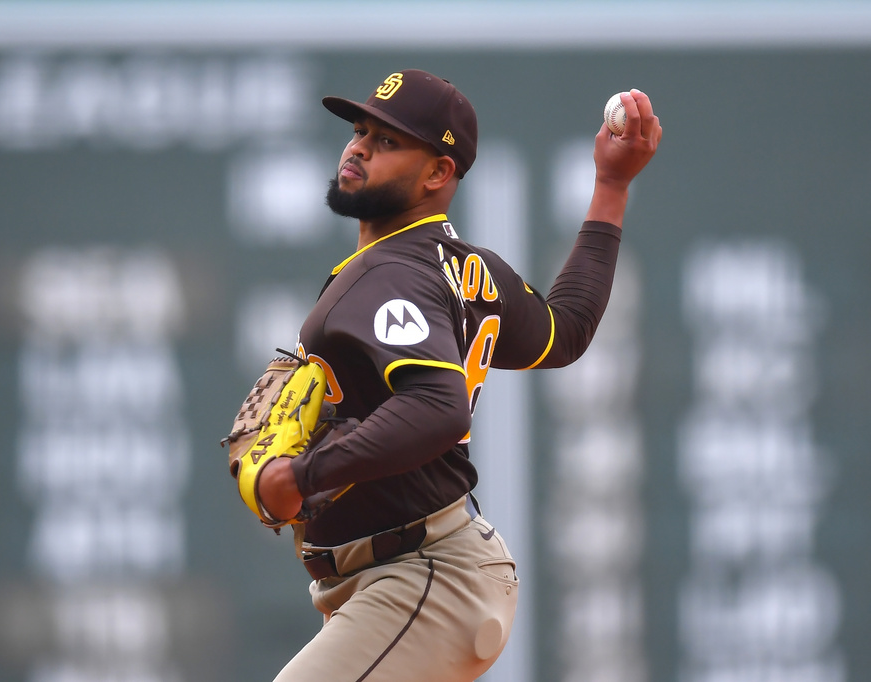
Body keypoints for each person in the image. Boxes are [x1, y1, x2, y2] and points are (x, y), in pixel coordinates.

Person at [255, 69, 661, 682]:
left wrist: (304, 475)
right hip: (400, 580)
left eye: (389, 141)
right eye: (360, 130)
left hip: (424, 578)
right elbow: (567, 328)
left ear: (438, 173)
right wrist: (610, 186)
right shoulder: (459, 267)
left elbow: (438, 407)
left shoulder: (390, 275)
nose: (358, 146)